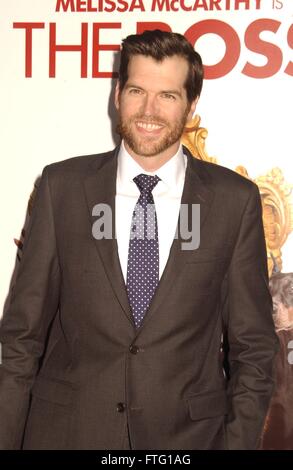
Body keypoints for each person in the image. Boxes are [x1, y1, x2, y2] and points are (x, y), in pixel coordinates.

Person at [0, 30, 278, 450]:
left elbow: (254, 349)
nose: (149, 110)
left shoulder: (232, 201)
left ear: (191, 105)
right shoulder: (63, 188)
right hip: (67, 435)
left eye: (167, 95)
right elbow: (21, 338)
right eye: (136, 90)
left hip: (189, 440)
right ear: (117, 94)